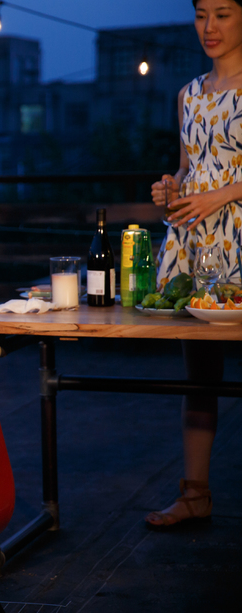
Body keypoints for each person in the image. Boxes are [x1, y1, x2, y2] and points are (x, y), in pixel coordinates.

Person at [147, 0, 242, 530]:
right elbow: (188, 169)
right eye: (202, 13)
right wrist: (171, 189)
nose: (210, 26)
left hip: (241, 240)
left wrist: (222, 194)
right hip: (198, 245)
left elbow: (225, 179)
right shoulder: (189, 93)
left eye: (224, 13)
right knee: (199, 374)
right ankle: (195, 493)